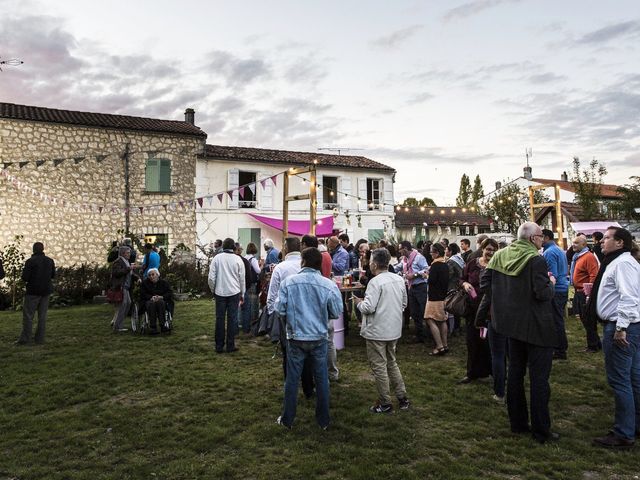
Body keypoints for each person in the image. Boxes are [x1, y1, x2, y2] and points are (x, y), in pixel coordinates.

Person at [486, 222, 558, 444]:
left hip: (510, 325)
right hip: (536, 327)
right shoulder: (536, 259)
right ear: (530, 239)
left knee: (515, 375)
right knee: (539, 380)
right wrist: (552, 283)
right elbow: (542, 293)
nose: (541, 240)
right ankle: (540, 430)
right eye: (539, 236)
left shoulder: (498, 256)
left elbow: (487, 286)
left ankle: (517, 423)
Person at [275, 247, 342, 430]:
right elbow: (336, 312)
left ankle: (287, 419)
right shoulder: (328, 284)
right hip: (319, 337)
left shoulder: (288, 283)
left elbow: (279, 309)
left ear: (303, 261)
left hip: (296, 337)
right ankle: (323, 420)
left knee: (292, 380)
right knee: (321, 379)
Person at [590, 227, 640, 448]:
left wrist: (621, 327)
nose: (602, 242)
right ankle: (633, 424)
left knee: (621, 380)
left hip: (622, 327)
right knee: (632, 378)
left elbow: (629, 297)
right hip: (626, 325)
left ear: (620, 242)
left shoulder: (623, 264)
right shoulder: (619, 262)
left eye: (607, 238)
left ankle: (623, 433)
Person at [354, 248, 410, 413]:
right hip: (392, 328)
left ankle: (385, 403)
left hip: (376, 330)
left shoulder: (375, 282)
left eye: (371, 260)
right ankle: (402, 397)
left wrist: (358, 302)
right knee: (392, 363)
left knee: (379, 366)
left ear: (375, 264)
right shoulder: (398, 279)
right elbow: (404, 303)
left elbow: (369, 307)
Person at [458, 238, 496, 383]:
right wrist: (465, 284)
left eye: (493, 250)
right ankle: (472, 372)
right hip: (472, 308)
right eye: (488, 249)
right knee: (472, 341)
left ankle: (492, 372)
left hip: (490, 309)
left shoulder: (496, 265)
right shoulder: (473, 264)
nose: (490, 252)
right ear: (482, 249)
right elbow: (461, 279)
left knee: (489, 342)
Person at [303, 235, 339, 381]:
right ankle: (331, 372)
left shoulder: (316, 258)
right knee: (329, 340)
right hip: (325, 300)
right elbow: (337, 311)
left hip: (314, 302)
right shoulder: (327, 256)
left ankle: (316, 374)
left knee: (313, 342)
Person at [208, 238, 245, 353]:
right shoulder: (238, 259)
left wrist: (213, 290)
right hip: (234, 292)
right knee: (232, 319)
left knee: (219, 319)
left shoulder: (217, 258)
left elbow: (211, 278)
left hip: (220, 292)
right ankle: (230, 345)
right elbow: (242, 279)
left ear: (223, 246)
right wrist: (242, 293)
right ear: (233, 247)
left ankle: (219, 346)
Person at [17, 242, 55, 345]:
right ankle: (39, 339)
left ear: (33, 249)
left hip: (33, 291)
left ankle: (25, 339)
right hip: (46, 291)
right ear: (43, 249)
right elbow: (53, 275)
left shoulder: (30, 262)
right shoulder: (50, 261)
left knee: (28, 316)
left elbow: (25, 277)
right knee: (42, 316)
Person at [570, 235, 601, 352]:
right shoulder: (578, 257)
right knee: (584, 319)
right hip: (578, 291)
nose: (573, 245)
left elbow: (594, 275)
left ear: (584, 245)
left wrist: (588, 294)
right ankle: (596, 343)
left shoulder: (588, 257)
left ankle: (593, 345)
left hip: (584, 292)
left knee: (588, 319)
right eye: (573, 242)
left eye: (576, 243)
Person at [541, 229, 569, 360]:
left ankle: (560, 349)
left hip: (556, 289)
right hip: (563, 288)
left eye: (540, 237)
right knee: (558, 319)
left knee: (556, 320)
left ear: (546, 237)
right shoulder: (558, 249)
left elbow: (552, 275)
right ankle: (560, 347)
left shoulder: (549, 252)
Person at [396, 240, 429, 343]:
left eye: (400, 249)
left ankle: (428, 334)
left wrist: (414, 275)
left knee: (422, 310)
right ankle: (419, 335)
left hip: (420, 286)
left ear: (405, 249)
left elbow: (426, 269)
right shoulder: (404, 260)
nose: (399, 251)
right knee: (414, 312)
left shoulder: (419, 257)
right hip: (411, 287)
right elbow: (398, 267)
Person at [425, 243, 449, 356]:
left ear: (437, 253)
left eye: (431, 252)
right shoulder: (445, 264)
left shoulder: (435, 265)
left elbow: (432, 281)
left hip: (434, 297)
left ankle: (439, 345)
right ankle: (445, 344)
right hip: (443, 295)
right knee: (442, 320)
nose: (430, 254)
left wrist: (426, 276)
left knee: (430, 319)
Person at [110, 246, 139, 333]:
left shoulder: (126, 261)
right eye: (128, 253)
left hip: (126, 287)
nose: (129, 254)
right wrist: (128, 268)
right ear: (123, 253)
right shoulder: (118, 262)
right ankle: (117, 326)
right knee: (123, 305)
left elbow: (130, 273)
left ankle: (118, 324)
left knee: (128, 304)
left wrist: (137, 277)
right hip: (121, 287)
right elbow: (117, 273)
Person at [140, 268, 173, 334]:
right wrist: (151, 297)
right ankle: (153, 327)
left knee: (161, 302)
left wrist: (161, 297)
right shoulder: (145, 283)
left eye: (153, 274)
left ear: (158, 275)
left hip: (161, 300)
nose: (151, 276)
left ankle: (162, 325)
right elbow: (143, 294)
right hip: (149, 300)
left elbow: (169, 292)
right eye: (149, 275)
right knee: (152, 304)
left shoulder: (164, 283)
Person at [446, 243, 465, 335]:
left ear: (450, 251)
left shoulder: (451, 261)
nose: (445, 251)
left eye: (447, 250)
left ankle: (453, 328)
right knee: (457, 305)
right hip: (459, 284)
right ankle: (457, 327)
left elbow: (449, 275)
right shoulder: (459, 258)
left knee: (452, 306)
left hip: (452, 286)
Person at [235, 242, 253, 335]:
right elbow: (249, 277)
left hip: (232, 289)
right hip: (243, 288)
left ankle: (235, 330)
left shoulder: (229, 261)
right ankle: (246, 329)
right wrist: (247, 287)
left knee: (234, 309)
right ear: (239, 250)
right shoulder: (244, 261)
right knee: (245, 308)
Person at [243, 242, 261, 334]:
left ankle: (244, 322)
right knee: (253, 302)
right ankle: (253, 321)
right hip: (253, 282)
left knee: (246, 303)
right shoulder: (253, 259)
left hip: (245, 282)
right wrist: (261, 266)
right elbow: (258, 270)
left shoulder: (245, 257)